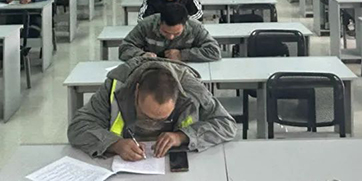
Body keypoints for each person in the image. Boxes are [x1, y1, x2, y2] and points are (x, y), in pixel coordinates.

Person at [67, 57, 236, 160]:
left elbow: (226, 124)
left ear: (178, 97)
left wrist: (183, 136)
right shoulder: (118, 84)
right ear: (136, 91)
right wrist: (114, 144)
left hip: (175, 161)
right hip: (124, 164)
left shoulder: (191, 88)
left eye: (162, 119)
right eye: (146, 115)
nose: (152, 124)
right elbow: (78, 127)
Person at [119, 4, 221, 63]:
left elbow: (214, 51)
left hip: (185, 71)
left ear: (185, 25)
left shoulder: (195, 27)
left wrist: (182, 55)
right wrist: (142, 55)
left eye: (176, 34)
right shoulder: (146, 25)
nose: (171, 37)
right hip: (151, 72)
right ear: (160, 22)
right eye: (165, 32)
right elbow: (124, 48)